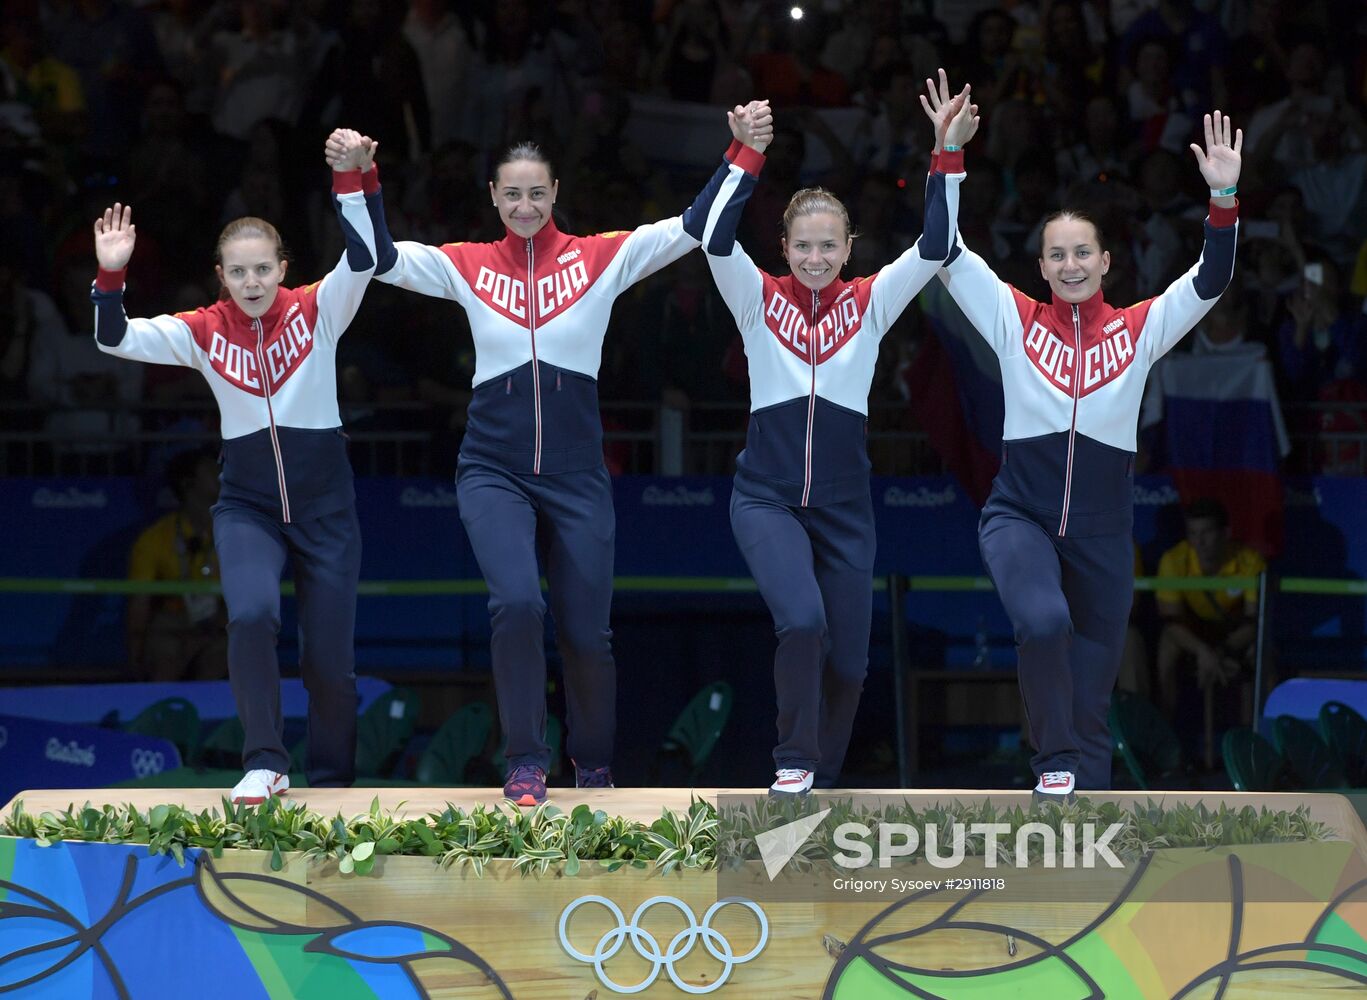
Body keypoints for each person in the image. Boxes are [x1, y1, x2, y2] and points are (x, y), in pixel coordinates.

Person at [325, 108, 774, 806]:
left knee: (588, 632)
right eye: (512, 194)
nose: (525, 206)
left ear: (556, 191)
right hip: (491, 468)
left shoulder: (599, 257)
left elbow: (691, 225)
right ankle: (525, 760)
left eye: (537, 193)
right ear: (493, 197)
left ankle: (591, 762)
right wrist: (356, 175)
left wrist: (742, 151)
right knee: (515, 603)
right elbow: (374, 258)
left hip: (576, 473)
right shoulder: (466, 265)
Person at [925, 72, 1242, 799]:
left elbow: (1211, 280)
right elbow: (942, 249)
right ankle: (1051, 770)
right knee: (1040, 623)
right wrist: (947, 156)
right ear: (1039, 267)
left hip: (1102, 535)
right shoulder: (1011, 320)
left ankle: (1084, 836)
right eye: (1055, 256)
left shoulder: (1138, 330)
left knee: (1093, 701)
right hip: (1020, 516)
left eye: (1082, 254)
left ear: (1105, 263)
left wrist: (1222, 198)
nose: (1069, 265)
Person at [91, 130, 383, 804]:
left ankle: (334, 783)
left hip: (327, 511)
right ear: (219, 275)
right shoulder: (202, 330)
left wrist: (352, 179)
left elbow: (365, 257)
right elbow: (114, 337)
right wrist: (112, 276)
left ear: (282, 267)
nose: (251, 283)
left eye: (263, 269)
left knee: (330, 666)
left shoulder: (318, 310)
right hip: (246, 505)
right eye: (237, 272)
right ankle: (265, 760)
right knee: (250, 615)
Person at [700, 87, 973, 795]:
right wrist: (746, 153)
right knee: (801, 620)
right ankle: (793, 761)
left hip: (846, 511)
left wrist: (948, 152)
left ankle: (820, 786)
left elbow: (938, 244)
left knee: (849, 665)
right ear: (782, 247)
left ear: (850, 248)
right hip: (766, 500)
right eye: (803, 245)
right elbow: (709, 233)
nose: (816, 257)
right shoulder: (755, 297)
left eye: (829, 245)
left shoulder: (871, 301)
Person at [1155, 498, 1267, 721]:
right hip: (1194, 634)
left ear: (1225, 533)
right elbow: (1171, 623)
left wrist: (1221, 651)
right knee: (1167, 644)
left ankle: (1254, 739)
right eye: (1193, 534)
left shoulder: (1250, 561)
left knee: (1263, 652)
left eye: (1207, 532)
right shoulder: (1173, 561)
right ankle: (1164, 732)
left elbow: (1257, 621)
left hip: (1235, 636)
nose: (1200, 542)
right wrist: (1202, 651)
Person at [126, 446, 228, 682]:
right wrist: (134, 658)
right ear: (187, 483)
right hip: (172, 624)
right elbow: (139, 605)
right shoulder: (154, 538)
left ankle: (207, 716)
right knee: (165, 656)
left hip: (220, 624)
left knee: (219, 656)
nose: (223, 475)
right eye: (212, 472)